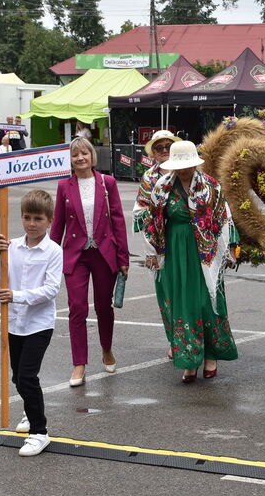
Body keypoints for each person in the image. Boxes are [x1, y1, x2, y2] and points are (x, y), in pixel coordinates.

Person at [142, 140, 238, 383]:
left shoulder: (211, 186)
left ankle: (211, 355)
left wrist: (231, 249)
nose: (183, 170)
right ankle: (188, 360)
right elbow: (151, 221)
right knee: (182, 304)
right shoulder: (161, 187)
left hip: (205, 253)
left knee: (206, 302)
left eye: (188, 165)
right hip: (175, 250)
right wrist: (152, 252)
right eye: (179, 165)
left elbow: (225, 218)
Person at [50, 137, 130, 387]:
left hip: (104, 253)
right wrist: (48, 255)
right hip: (75, 255)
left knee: (103, 307)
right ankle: (79, 364)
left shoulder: (107, 183)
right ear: (71, 160)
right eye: (75, 155)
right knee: (77, 308)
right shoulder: (64, 186)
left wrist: (123, 257)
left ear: (92, 156)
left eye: (84, 153)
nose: (80, 158)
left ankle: (106, 349)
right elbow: (57, 225)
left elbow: (118, 221)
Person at [0, 189, 63, 457]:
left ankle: (40, 432)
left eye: (38, 219)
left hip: (39, 323)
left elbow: (51, 290)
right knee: (17, 377)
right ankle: (30, 408)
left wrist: (17, 296)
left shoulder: (53, 251)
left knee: (27, 376)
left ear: (49, 220)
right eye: (26, 217)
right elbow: (0, 280)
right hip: (14, 322)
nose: (32, 224)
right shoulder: (12, 246)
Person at [132, 129, 181, 359]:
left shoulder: (185, 170)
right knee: (166, 293)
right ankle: (174, 339)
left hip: (184, 239)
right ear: (153, 152)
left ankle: (192, 338)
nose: (164, 151)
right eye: (159, 148)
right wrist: (150, 248)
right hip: (160, 243)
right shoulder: (149, 178)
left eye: (168, 147)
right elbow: (139, 211)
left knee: (187, 291)